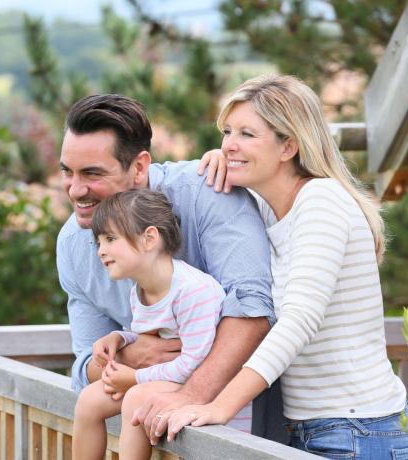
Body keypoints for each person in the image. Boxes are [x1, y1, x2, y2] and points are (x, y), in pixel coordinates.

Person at [166, 74, 408, 460]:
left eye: (248, 134)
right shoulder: (269, 207)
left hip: (359, 433)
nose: (230, 144)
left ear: (288, 146)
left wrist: (219, 406)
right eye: (227, 132)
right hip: (313, 430)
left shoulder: (321, 202)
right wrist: (223, 160)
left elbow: (298, 322)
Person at [56, 94, 286, 444]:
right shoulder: (73, 244)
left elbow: (252, 310)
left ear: (139, 166)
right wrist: (131, 353)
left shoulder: (208, 192)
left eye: (92, 174)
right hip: (152, 424)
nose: (76, 190)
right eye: (66, 172)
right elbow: (85, 364)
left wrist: (189, 395)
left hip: (241, 436)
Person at [73, 188, 247, 460]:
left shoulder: (192, 290)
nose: (101, 251)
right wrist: (118, 339)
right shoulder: (140, 291)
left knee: (135, 398)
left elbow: (197, 364)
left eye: (110, 239)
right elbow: (152, 335)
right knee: (89, 400)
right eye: (98, 242)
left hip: (209, 389)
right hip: (171, 379)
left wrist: (135, 378)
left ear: (149, 238)